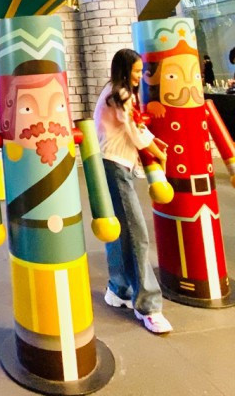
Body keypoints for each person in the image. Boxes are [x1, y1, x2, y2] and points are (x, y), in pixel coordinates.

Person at [93, 48, 173, 334]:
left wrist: (153, 143)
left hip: (111, 164)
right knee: (136, 233)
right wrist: (158, 154)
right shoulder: (121, 94)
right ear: (125, 70)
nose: (140, 76)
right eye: (137, 71)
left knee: (120, 231)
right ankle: (148, 306)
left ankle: (119, 288)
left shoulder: (113, 92)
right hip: (116, 166)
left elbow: (134, 126)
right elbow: (136, 132)